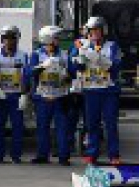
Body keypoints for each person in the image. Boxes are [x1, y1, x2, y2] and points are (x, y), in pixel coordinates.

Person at [73, 16, 122, 165]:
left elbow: (115, 65)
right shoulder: (84, 45)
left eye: (97, 30)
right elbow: (77, 67)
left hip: (108, 91)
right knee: (91, 123)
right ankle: (92, 153)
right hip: (91, 90)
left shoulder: (112, 46)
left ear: (103, 31)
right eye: (91, 30)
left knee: (110, 123)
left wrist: (97, 57)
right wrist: (80, 58)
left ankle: (114, 154)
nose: (94, 33)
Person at [29, 25, 72, 165]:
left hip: (61, 96)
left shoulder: (64, 54)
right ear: (48, 39)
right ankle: (42, 155)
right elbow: (29, 73)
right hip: (43, 96)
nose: (58, 41)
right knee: (42, 127)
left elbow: (72, 73)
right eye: (56, 39)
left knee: (62, 127)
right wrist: (42, 66)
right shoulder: (37, 54)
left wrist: (66, 75)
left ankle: (63, 156)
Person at [0, 26, 30, 164]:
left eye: (13, 38)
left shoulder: (23, 56)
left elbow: (26, 75)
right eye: (7, 39)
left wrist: (24, 94)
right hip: (0, 97)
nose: (10, 42)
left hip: (16, 96)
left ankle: (16, 155)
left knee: (17, 127)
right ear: (2, 40)